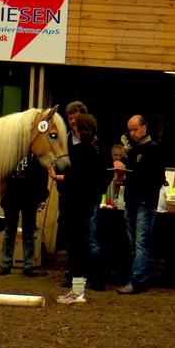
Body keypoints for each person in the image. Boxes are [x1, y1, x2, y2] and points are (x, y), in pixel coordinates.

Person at [114, 114, 163, 295]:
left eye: (135, 129)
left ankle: (136, 280)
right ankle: (138, 278)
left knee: (140, 242)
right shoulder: (133, 151)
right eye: (130, 130)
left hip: (143, 202)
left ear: (144, 128)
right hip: (132, 200)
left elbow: (157, 178)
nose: (132, 133)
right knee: (135, 242)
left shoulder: (154, 150)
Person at [57, 113, 103, 304]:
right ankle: (77, 289)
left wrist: (56, 175)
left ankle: (77, 291)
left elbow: (74, 177)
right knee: (79, 245)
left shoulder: (82, 152)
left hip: (76, 203)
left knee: (77, 246)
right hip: (84, 203)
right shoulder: (93, 150)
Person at [0, 153, 49, 277]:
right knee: (10, 231)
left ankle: (28, 265)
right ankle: (6, 264)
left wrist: (42, 197)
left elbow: (43, 176)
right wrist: (0, 195)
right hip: (11, 196)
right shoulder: (10, 154)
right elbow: (1, 176)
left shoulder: (37, 156)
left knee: (29, 232)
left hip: (29, 198)